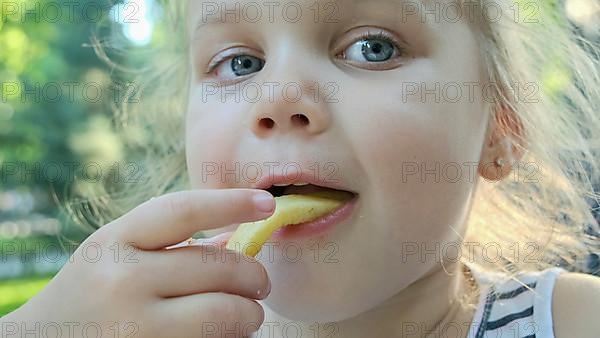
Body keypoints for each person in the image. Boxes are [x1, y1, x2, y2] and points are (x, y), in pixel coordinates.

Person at [2, 0, 600, 337]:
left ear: (500, 128)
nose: (278, 97)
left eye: (374, 47)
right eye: (239, 63)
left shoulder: (569, 322)